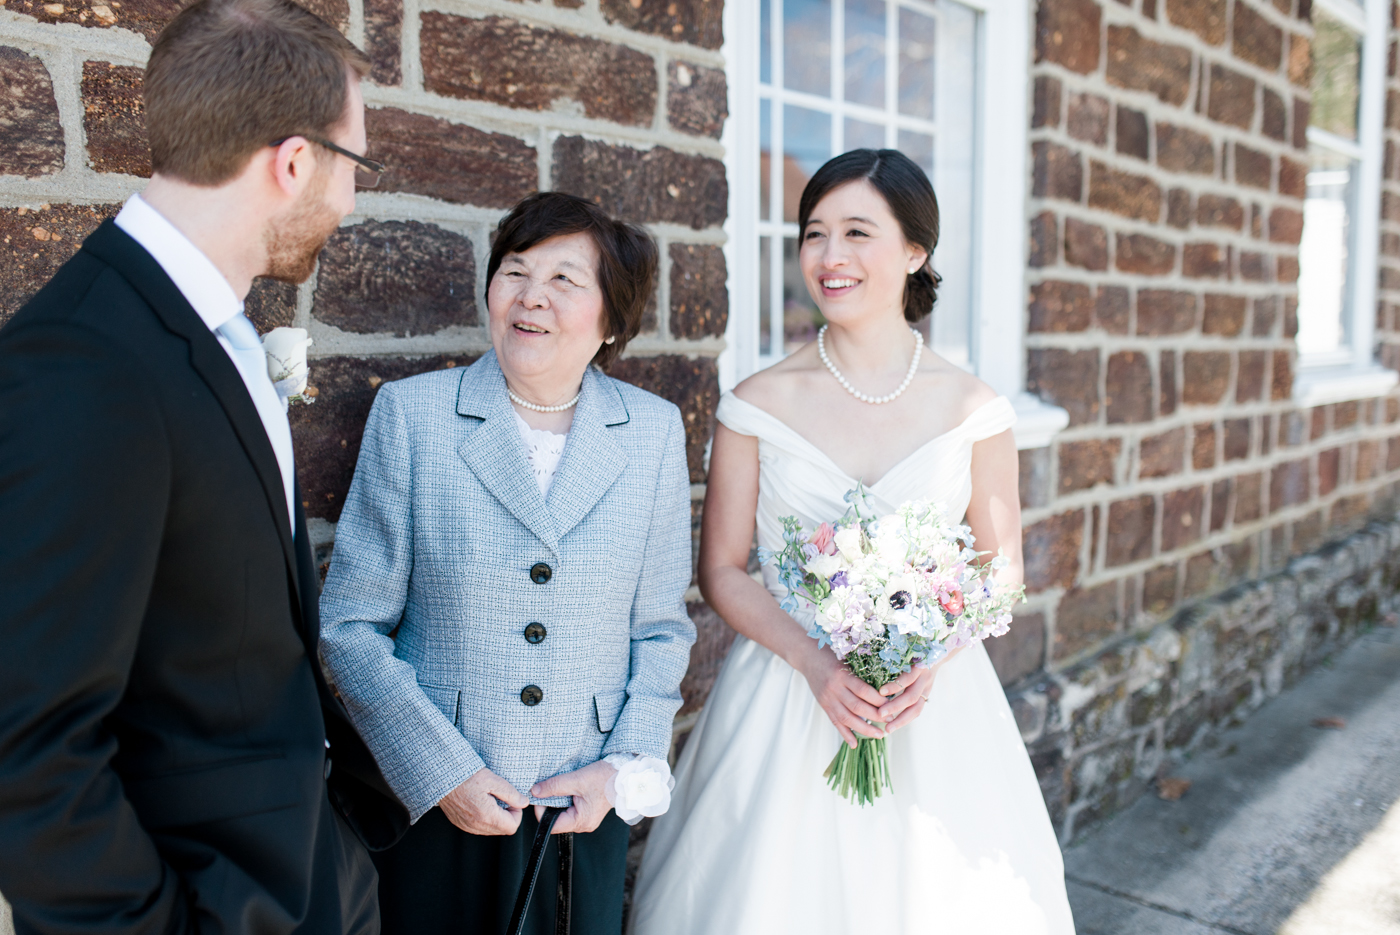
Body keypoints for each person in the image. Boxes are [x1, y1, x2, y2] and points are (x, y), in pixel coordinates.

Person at [0, 1, 402, 932]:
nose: (350, 198)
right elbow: (28, 750)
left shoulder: (209, 331)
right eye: (355, 165)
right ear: (294, 162)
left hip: (305, 872)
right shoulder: (83, 362)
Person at [630, 149, 1076, 934]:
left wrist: (926, 661)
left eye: (857, 232)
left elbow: (1001, 569)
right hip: (787, 694)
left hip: (933, 707)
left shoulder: (975, 407)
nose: (830, 257)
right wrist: (815, 662)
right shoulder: (756, 404)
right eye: (814, 234)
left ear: (914, 251)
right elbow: (724, 570)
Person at [319, 191, 696, 935]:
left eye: (565, 279)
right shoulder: (413, 415)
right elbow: (351, 625)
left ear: (612, 318)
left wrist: (622, 768)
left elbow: (660, 630)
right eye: (515, 271)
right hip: (440, 804)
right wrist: (443, 771)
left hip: (579, 809)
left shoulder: (652, 431)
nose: (531, 297)